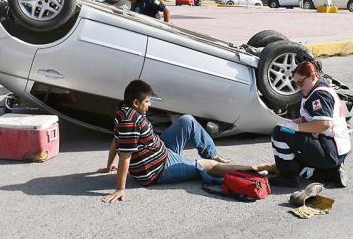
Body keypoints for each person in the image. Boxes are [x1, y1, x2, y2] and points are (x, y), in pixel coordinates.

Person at [101, 80, 267, 203]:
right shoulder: (130, 120)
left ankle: (213, 154)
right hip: (158, 168)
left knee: (187, 120)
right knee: (207, 165)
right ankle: (253, 171)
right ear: (136, 103)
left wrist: (109, 166)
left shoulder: (123, 111)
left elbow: (116, 141)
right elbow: (126, 156)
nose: (149, 105)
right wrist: (120, 189)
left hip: (161, 150)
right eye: (147, 102)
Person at [269, 59, 351, 188]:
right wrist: (289, 123)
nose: (299, 87)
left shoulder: (319, 95)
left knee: (278, 133)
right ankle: (329, 173)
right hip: (333, 148)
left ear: (313, 76)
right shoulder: (317, 88)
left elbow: (324, 124)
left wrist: (294, 127)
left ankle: (289, 177)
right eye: (296, 84)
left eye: (301, 82)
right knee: (285, 131)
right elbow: (309, 118)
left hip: (330, 150)